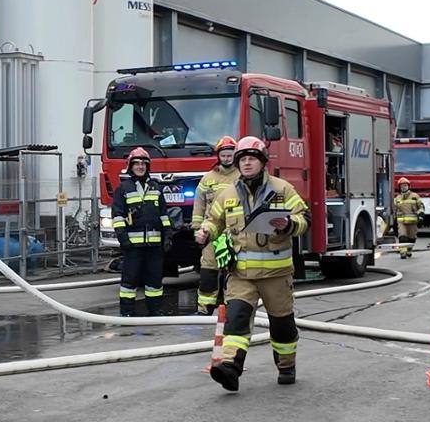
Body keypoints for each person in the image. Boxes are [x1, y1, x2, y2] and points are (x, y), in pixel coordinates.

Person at [197, 136, 309, 391]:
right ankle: (230, 369)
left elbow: (305, 218)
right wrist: (205, 231)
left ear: (262, 162)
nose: (246, 164)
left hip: (276, 275)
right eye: (242, 159)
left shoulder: (282, 190)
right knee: (235, 320)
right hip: (241, 274)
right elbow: (214, 221)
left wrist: (289, 225)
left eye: (251, 159)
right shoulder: (227, 194)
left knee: (282, 325)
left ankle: (286, 365)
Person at [109, 147, 172, 317]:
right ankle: (127, 313)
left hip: (154, 244)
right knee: (129, 281)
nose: (140, 166)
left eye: (144, 163)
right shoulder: (123, 188)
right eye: (136, 163)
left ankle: (155, 312)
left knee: (155, 280)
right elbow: (117, 216)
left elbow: (164, 215)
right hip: (132, 246)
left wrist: (167, 236)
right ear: (130, 166)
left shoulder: (155, 187)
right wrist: (123, 239)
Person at [194, 135, 240, 314]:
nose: (227, 158)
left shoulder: (241, 176)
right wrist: (197, 228)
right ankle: (204, 308)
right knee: (208, 270)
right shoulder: (208, 178)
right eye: (224, 155)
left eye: (230, 155)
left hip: (234, 232)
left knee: (233, 271)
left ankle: (232, 307)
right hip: (211, 232)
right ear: (218, 156)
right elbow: (199, 204)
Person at [392, 178, 422, 259]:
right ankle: (403, 252)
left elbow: (421, 207)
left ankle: (409, 250)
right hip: (401, 221)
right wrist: (393, 221)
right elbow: (394, 210)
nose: (403, 187)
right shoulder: (397, 198)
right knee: (402, 236)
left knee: (412, 237)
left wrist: (421, 215)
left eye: (405, 185)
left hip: (413, 221)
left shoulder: (415, 196)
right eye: (402, 186)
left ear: (408, 186)